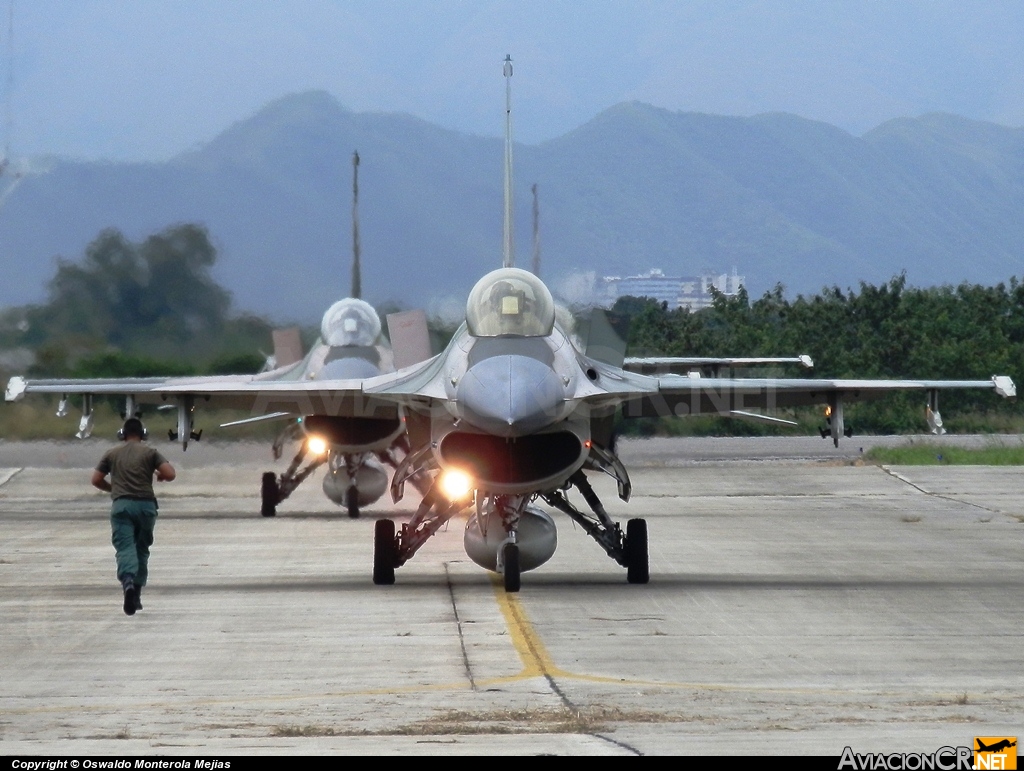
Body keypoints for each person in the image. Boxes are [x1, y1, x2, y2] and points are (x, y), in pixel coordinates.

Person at [91, 417, 176, 615]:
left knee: (125, 547)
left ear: (122, 434)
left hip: (122, 506)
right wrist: (161, 476)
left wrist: (113, 489)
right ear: (143, 434)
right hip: (146, 506)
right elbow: (170, 474)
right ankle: (136, 594)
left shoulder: (111, 453)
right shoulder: (150, 453)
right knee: (142, 548)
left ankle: (128, 583)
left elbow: (95, 479)